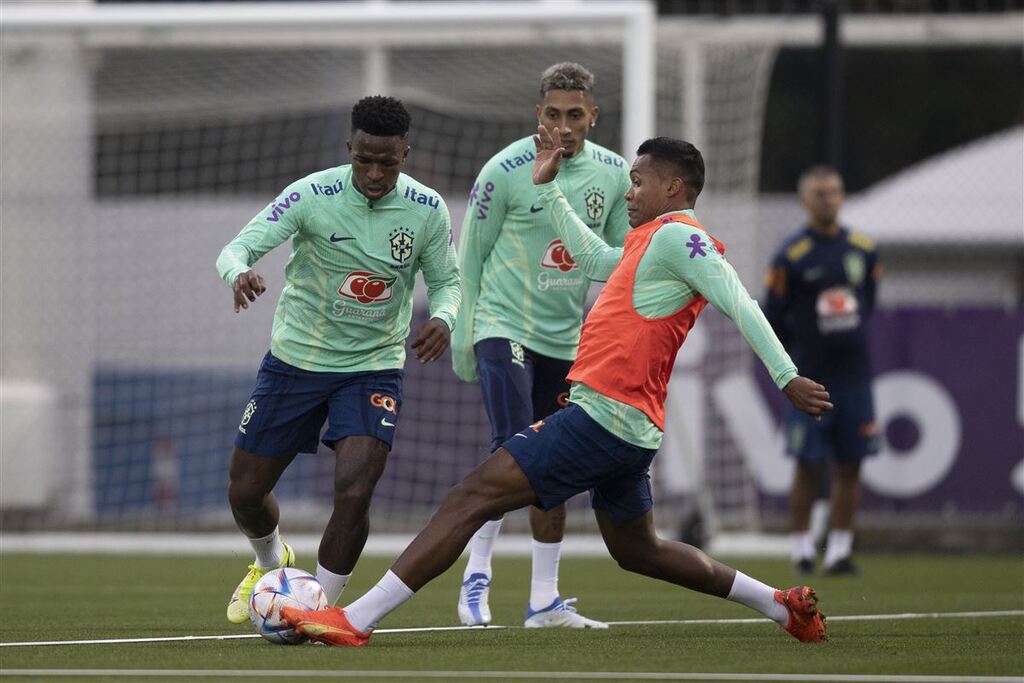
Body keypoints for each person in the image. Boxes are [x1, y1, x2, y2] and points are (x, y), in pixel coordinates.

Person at [280, 128, 832, 646]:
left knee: (470, 496)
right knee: (639, 550)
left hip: (604, 420)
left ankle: (354, 619)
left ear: (674, 187)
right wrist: (550, 192)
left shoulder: (682, 239)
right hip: (626, 424)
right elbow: (593, 257)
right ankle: (783, 606)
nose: (629, 190)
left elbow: (740, 301)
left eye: (638, 182)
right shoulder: (648, 242)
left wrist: (786, 378)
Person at [215, 95, 460, 624]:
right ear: (350, 148)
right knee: (246, 492)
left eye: (387, 162)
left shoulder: (426, 209)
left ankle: (318, 608)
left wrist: (444, 317)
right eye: (364, 159)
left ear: (405, 154)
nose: (374, 173)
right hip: (295, 362)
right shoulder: (310, 194)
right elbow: (237, 249)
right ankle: (270, 559)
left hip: (373, 367)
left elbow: (447, 282)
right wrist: (239, 273)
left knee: (354, 489)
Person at [451, 62, 630, 629]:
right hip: (503, 326)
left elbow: (623, 262)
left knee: (553, 463)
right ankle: (476, 574)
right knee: (512, 447)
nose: (564, 125)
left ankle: (544, 601)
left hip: (567, 340)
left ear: (593, 115)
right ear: (538, 114)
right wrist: (464, 334)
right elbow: (469, 257)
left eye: (575, 115)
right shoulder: (503, 171)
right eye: (553, 114)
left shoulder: (616, 175)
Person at [763, 165, 881, 577]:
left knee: (852, 464)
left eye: (833, 191)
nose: (827, 199)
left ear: (843, 196)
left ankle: (840, 551)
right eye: (819, 193)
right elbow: (772, 315)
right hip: (811, 377)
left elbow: (868, 301)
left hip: (855, 376)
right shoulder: (791, 255)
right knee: (806, 464)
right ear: (804, 200)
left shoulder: (864, 249)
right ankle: (801, 549)